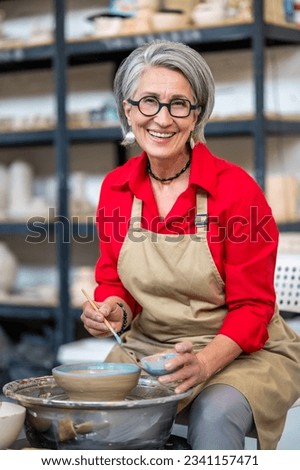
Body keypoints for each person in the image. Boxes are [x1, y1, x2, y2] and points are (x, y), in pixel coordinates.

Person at [81, 40, 300, 450]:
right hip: (151, 346)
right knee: (99, 414)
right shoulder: (116, 188)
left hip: (241, 350)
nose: (162, 118)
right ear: (127, 110)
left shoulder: (235, 191)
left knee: (213, 415)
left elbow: (253, 308)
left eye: (179, 104)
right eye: (148, 102)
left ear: (196, 115)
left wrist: (202, 364)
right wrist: (112, 309)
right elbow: (116, 281)